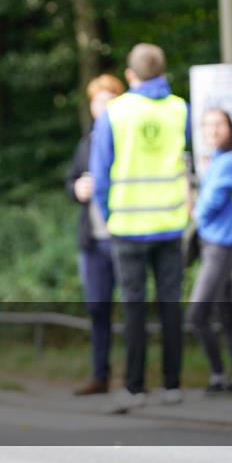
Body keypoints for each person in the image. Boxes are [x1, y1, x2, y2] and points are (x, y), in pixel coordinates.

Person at [89, 43, 191, 413]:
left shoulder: (115, 113)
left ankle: (135, 388)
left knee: (134, 308)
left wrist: (109, 213)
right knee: (170, 305)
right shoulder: (180, 109)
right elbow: (188, 160)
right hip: (171, 223)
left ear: (130, 75)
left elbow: (100, 174)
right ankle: (172, 385)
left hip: (128, 225)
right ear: (163, 72)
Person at [65, 74, 125, 395]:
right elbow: (70, 181)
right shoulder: (86, 142)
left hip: (123, 236)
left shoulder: (126, 140)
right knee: (97, 308)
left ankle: (134, 378)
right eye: (96, 101)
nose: (100, 107)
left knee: (130, 307)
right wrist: (77, 188)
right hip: (92, 240)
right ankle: (100, 376)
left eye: (107, 100)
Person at [190, 108, 232, 393]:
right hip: (215, 244)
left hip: (223, 245)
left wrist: (197, 213)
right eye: (208, 125)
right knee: (225, 312)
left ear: (230, 127)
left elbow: (211, 200)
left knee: (197, 313)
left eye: (219, 124)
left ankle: (218, 375)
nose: (213, 130)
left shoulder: (230, 161)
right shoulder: (218, 159)